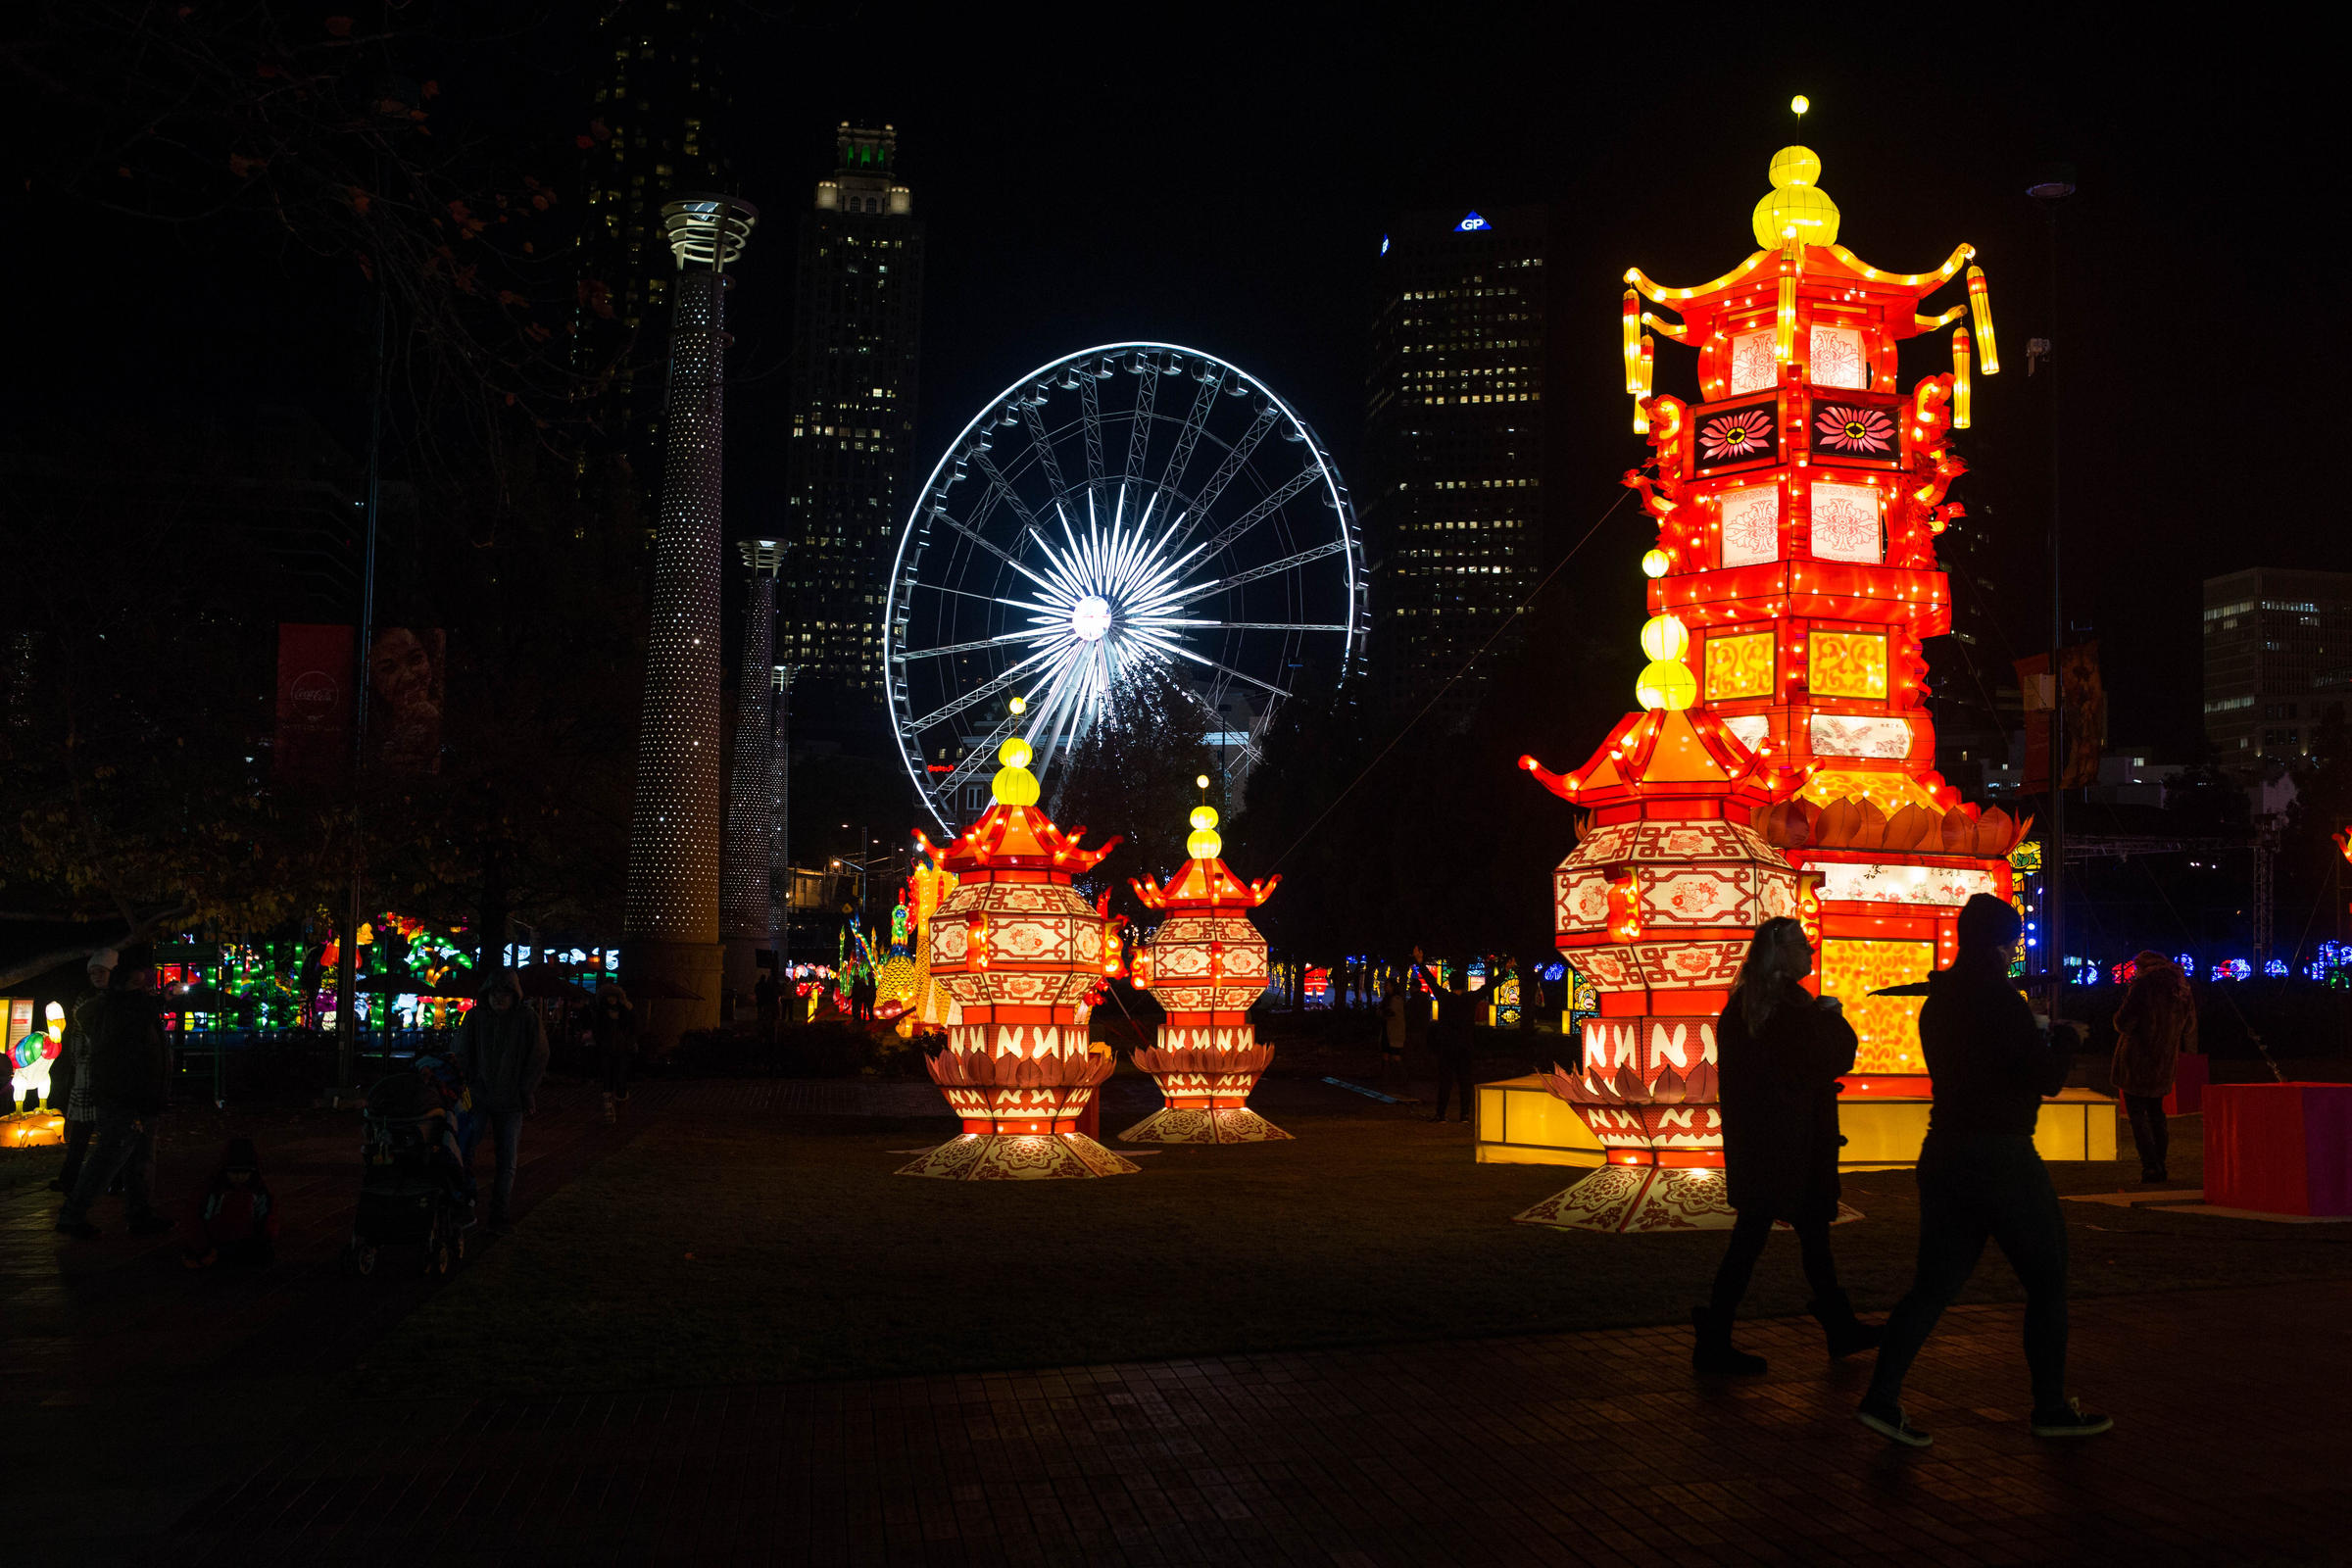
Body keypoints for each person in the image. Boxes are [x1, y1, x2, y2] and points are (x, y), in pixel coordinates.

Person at [1857, 894, 2110, 1447]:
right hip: (2003, 1155)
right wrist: (2065, 1040)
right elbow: (2042, 1078)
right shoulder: (2002, 1002)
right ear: (2002, 944)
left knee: (1931, 1286)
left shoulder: (1939, 1002)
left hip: (1945, 1149)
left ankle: (1882, 1395)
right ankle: (2049, 1405)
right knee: (2047, 1280)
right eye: (2013, 942)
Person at [1695, 917, 1879, 1375]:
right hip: (1796, 1143)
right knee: (1795, 1234)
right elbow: (1833, 1058)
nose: (1811, 952)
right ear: (1782, 953)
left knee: (1765, 1236)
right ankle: (1830, 1326)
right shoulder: (1793, 1009)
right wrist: (1833, 1018)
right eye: (1803, 945)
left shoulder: (1745, 1007)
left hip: (1761, 1144)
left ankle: (1721, 1333)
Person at [55, 949, 174, 1241]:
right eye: (140, 979)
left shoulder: (131, 1008)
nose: (146, 983)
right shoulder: (119, 1011)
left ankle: (138, 1213)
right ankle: (74, 1214)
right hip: (126, 1098)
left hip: (138, 1097)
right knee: (111, 1156)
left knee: (137, 1157)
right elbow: (121, 1058)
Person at [456, 973, 549, 1228]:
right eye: (494, 993)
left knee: (505, 1158)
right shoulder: (475, 1018)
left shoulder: (526, 1019)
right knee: (465, 1152)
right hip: (480, 1095)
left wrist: (526, 1088)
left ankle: (498, 1211)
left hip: (509, 1098)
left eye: (504, 993)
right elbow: (461, 1051)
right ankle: (466, 1203)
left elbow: (538, 1055)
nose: (499, 998)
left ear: (514, 995)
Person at [2112, 951, 2195, 1183]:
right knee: (2157, 1114)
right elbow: (2189, 1027)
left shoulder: (2143, 985)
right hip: (2164, 1060)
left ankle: (2150, 1166)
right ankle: (2161, 1162)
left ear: (2142, 966)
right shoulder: (2181, 986)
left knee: (2137, 1116)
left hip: (2137, 1059)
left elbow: (2123, 1022)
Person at [47, 957, 104, 1194]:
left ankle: (107, 1180)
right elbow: (78, 1035)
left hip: (105, 1075)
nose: (97, 977)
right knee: (81, 1133)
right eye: (93, 973)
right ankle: (70, 1178)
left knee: (108, 1135)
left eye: (101, 972)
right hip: (86, 1075)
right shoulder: (86, 999)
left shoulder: (114, 1001)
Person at [182, 1136, 279, 1268]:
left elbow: (266, 1217)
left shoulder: (258, 1191)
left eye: (244, 1172)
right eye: (234, 1172)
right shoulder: (212, 1191)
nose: (239, 1177)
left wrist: (266, 1237)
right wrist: (203, 1247)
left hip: (244, 1240)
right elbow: (194, 1219)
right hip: (215, 1241)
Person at [1414, 956, 1477, 1123]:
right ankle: (1464, 1115)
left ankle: (1441, 1114)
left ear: (1450, 983)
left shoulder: (1444, 997)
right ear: (1464, 984)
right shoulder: (1470, 999)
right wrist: (1505, 971)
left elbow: (1431, 981)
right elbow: (1489, 987)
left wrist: (1420, 963)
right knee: (1465, 1082)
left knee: (1445, 1082)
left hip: (1447, 1046)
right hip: (1465, 1046)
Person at [589, 982, 638, 1124]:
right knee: (607, 1079)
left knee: (621, 1079)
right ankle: (610, 1110)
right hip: (607, 1050)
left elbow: (633, 1028)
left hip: (622, 1050)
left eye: (613, 996)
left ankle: (621, 1107)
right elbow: (597, 1031)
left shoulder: (625, 1012)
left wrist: (629, 1043)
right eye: (608, 997)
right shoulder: (601, 1014)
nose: (611, 999)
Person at [1378, 977, 1408, 1086]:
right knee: (1386, 1054)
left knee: (1394, 1055)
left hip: (1393, 1032)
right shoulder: (1390, 999)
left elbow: (1391, 1013)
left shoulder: (1395, 999)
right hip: (1388, 1031)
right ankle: (1387, 1079)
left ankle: (1401, 1078)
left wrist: (1382, 1013)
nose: (1385, 987)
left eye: (1387, 985)